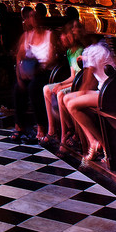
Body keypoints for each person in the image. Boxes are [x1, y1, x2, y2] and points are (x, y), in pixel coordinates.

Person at [61, 37, 116, 163]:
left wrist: (81, 94)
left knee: (72, 104)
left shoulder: (95, 50)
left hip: (108, 93)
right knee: (66, 98)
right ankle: (93, 141)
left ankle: (103, 144)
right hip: (102, 90)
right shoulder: (90, 50)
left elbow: (88, 81)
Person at [10, 6, 57, 140]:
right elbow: (19, 56)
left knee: (33, 88)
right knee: (18, 88)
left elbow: (52, 57)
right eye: (31, 17)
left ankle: (41, 126)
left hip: (44, 71)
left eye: (36, 17)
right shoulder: (27, 36)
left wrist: (38, 68)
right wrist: (20, 75)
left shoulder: (49, 35)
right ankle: (19, 125)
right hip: (29, 71)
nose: (33, 20)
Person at [41, 14, 85, 146]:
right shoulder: (70, 52)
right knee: (47, 89)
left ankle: (65, 135)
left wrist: (62, 87)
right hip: (75, 81)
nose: (61, 38)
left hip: (80, 85)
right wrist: (60, 83)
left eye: (64, 35)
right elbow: (72, 75)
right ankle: (52, 130)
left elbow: (80, 77)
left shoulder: (80, 50)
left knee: (60, 93)